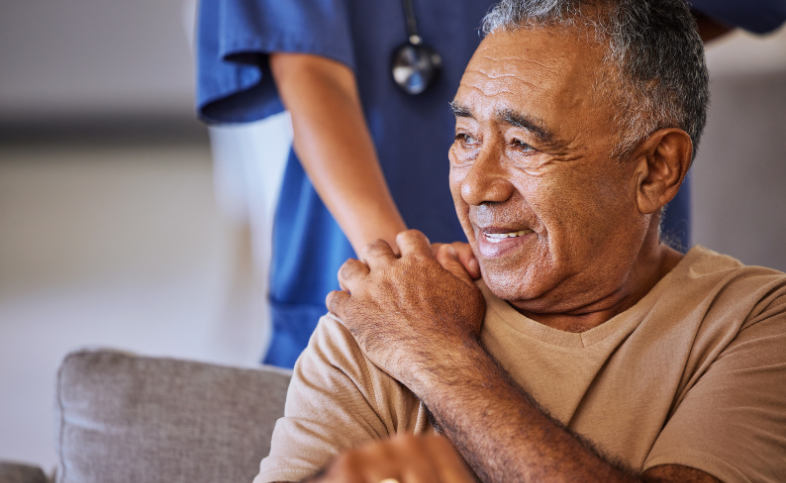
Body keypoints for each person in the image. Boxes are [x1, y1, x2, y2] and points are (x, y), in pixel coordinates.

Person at [253, 1, 786, 482]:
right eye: (465, 137)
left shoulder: (754, 322)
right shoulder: (382, 318)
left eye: (522, 144)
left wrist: (440, 358)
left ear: (654, 170)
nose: (474, 186)